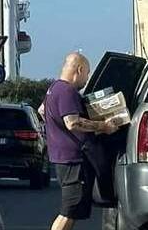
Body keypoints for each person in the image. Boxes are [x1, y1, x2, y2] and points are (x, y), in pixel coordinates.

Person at [43, 52, 120, 230]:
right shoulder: (67, 91)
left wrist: (57, 132)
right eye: (87, 73)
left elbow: (41, 110)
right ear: (79, 70)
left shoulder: (53, 88)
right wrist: (103, 126)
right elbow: (73, 123)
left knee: (73, 211)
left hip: (62, 157)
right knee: (68, 212)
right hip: (73, 160)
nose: (87, 79)